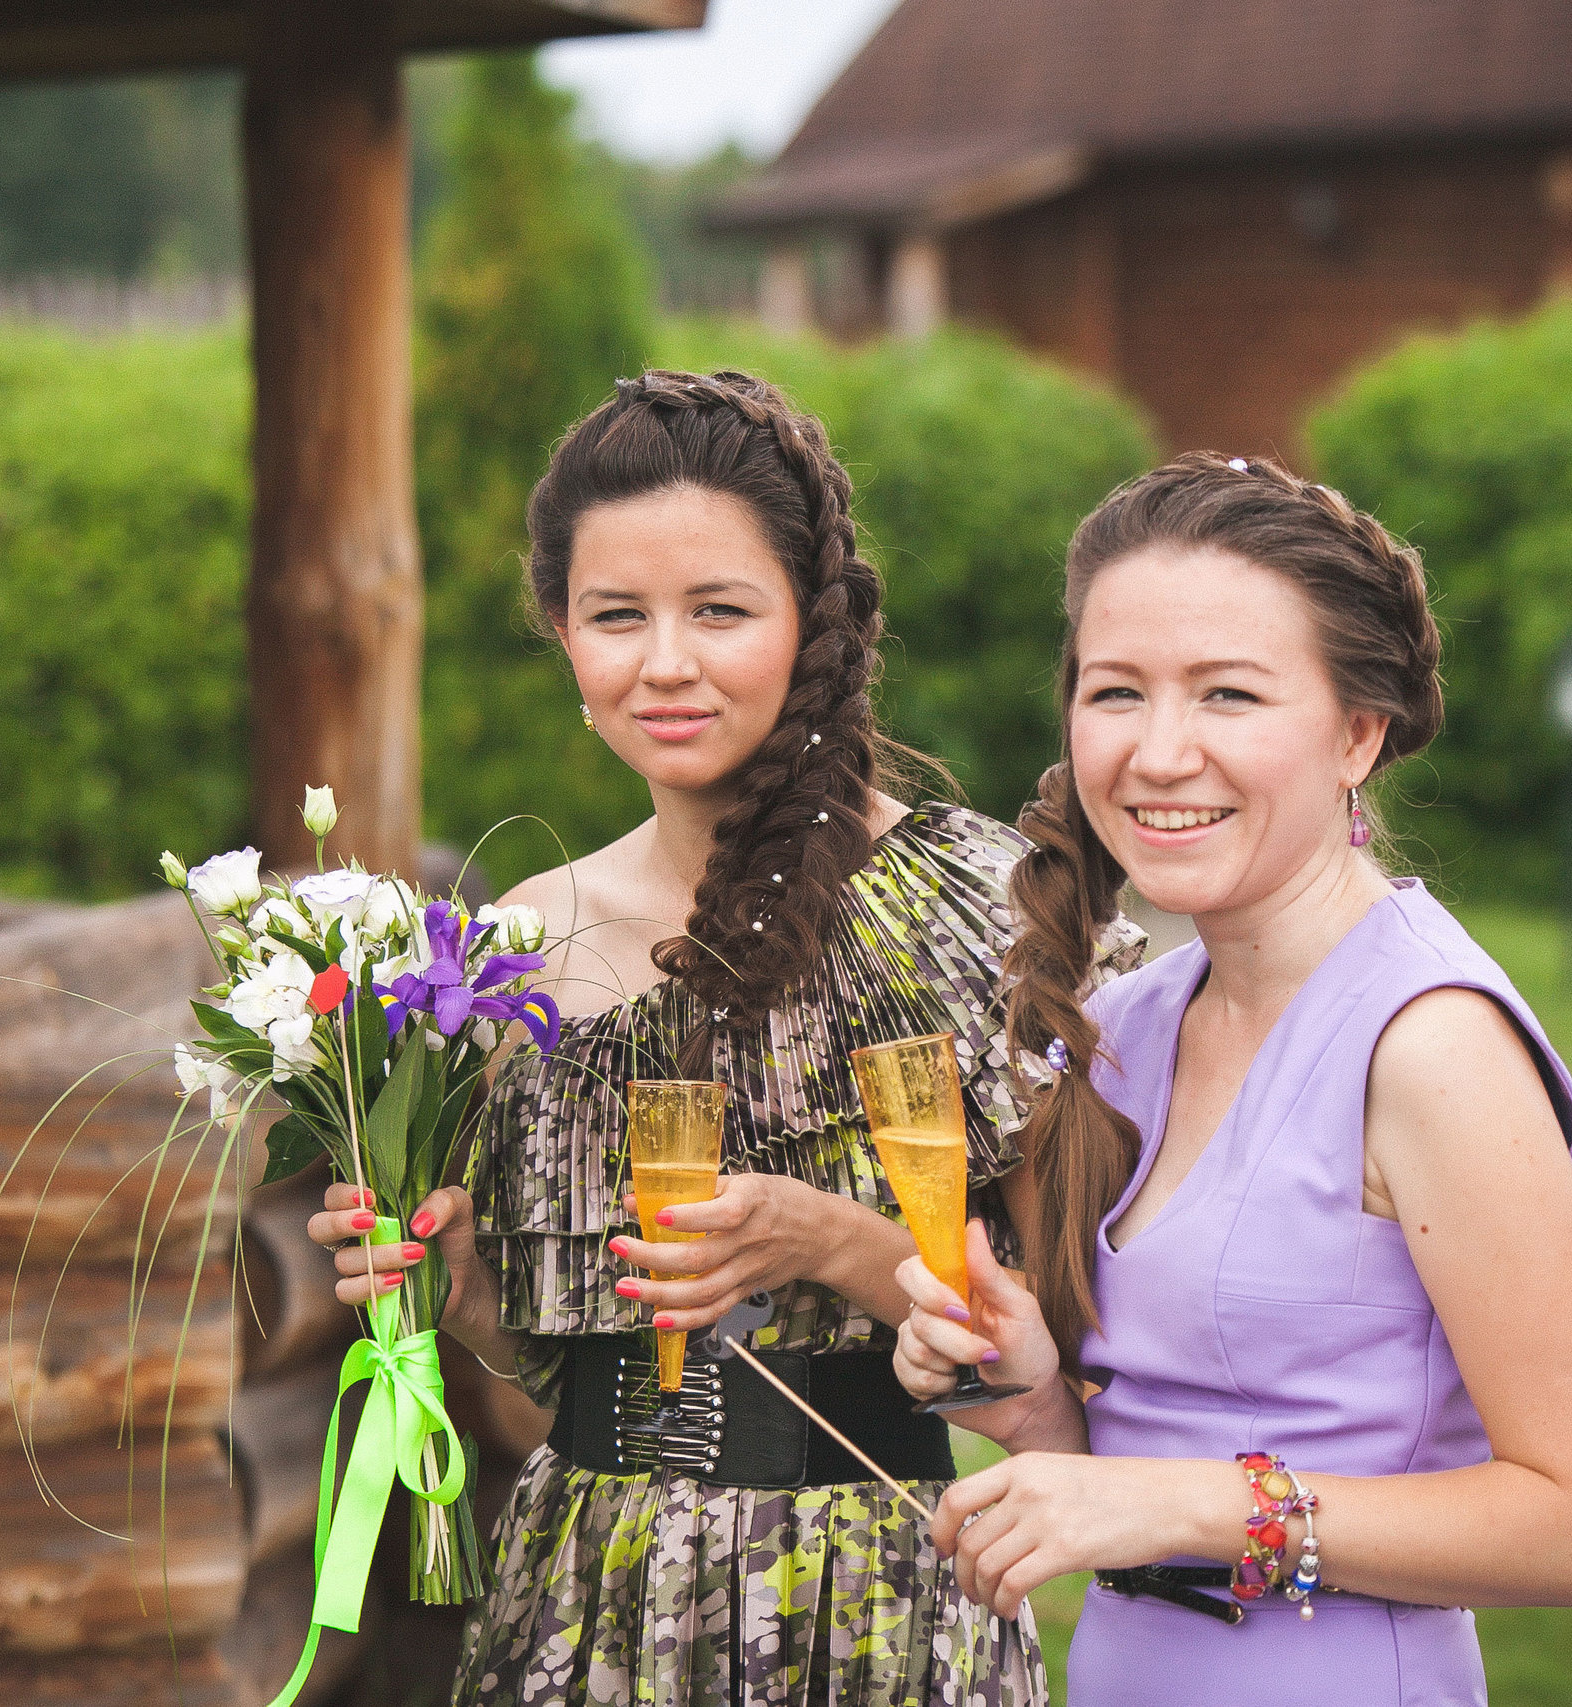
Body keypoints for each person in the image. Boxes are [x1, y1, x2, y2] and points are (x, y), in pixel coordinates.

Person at [306, 369, 1141, 1705]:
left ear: (813, 626)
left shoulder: (984, 914)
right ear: (564, 639)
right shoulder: (527, 939)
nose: (667, 661)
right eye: (615, 615)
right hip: (584, 1607)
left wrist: (837, 1243)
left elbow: (1090, 1381)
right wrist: (457, 1291)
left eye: (720, 610)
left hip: (875, 1609)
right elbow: (548, 1390)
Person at [891, 453, 1572, 1704]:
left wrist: (1179, 1502)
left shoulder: (1428, 1046)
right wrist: (1030, 1399)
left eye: (1229, 695)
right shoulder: (1128, 1029)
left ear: (1358, 733)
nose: (1158, 751)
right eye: (1115, 692)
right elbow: (1149, 1481)